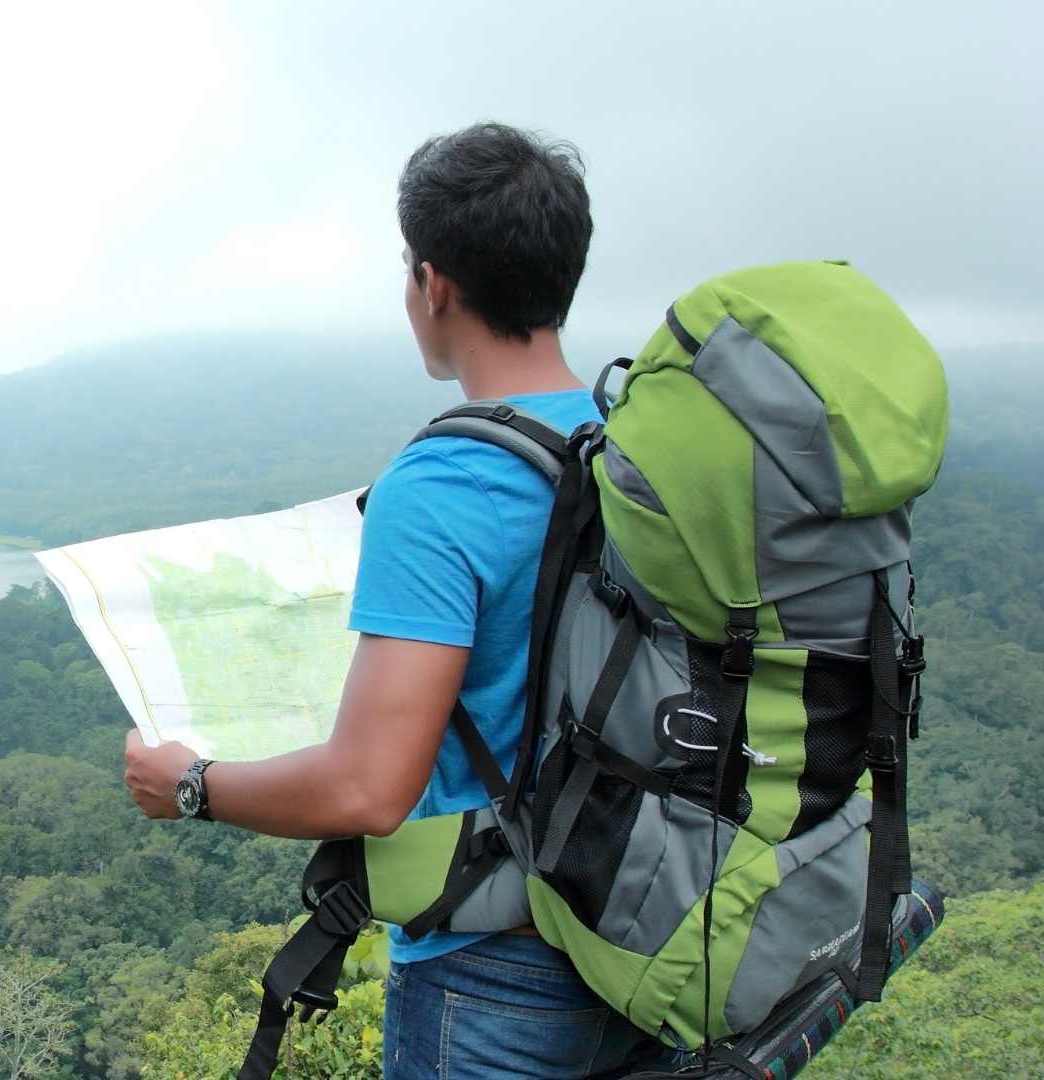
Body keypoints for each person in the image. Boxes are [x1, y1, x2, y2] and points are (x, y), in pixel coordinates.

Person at [122, 122, 667, 1078]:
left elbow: (369, 790)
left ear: (434, 285)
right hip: (638, 927)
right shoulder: (632, 443)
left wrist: (191, 785)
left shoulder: (445, 483)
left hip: (497, 975)